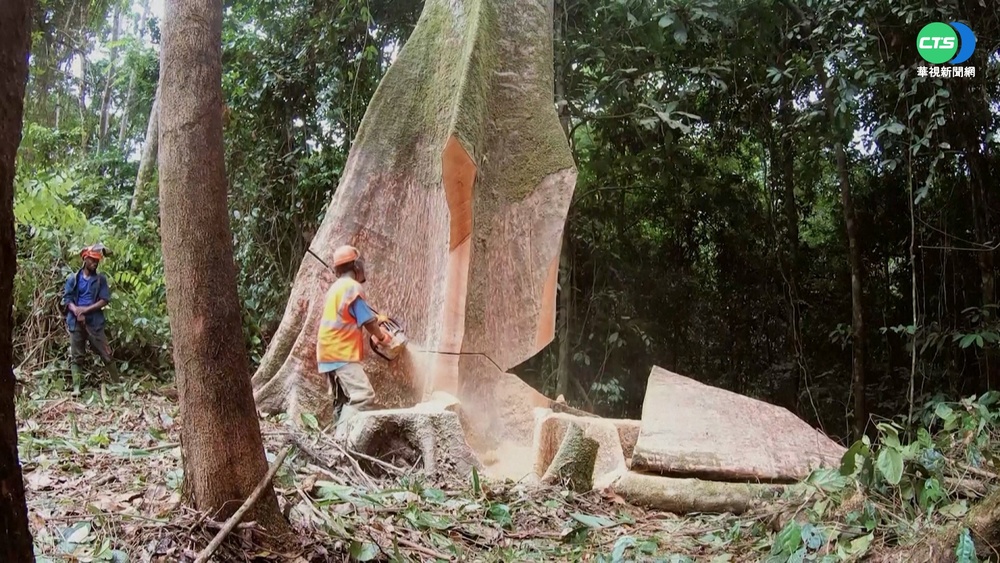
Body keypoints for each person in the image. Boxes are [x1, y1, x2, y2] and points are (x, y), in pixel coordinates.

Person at [316, 245, 392, 426]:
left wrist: (376, 321)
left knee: (343, 400)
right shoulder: (352, 288)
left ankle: (336, 440)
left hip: (327, 352)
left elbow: (349, 317)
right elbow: (367, 321)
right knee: (363, 396)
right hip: (340, 353)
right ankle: (343, 441)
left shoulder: (336, 288)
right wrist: (382, 337)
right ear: (357, 266)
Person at [62, 243, 119, 393]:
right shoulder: (73, 279)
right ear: (85, 259)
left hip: (95, 322)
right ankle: (76, 388)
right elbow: (67, 300)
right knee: (76, 356)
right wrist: (77, 311)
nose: (95, 263)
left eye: (97, 261)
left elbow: (104, 299)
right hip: (76, 322)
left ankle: (118, 385)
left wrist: (85, 310)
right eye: (92, 260)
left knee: (106, 353)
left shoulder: (101, 280)